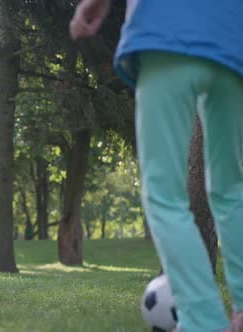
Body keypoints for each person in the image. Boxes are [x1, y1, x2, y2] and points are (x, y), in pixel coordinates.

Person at [70, 1, 243, 331]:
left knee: (164, 196)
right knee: (231, 189)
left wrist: (92, 6)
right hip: (233, 44)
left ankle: (203, 322)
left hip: (166, 33)